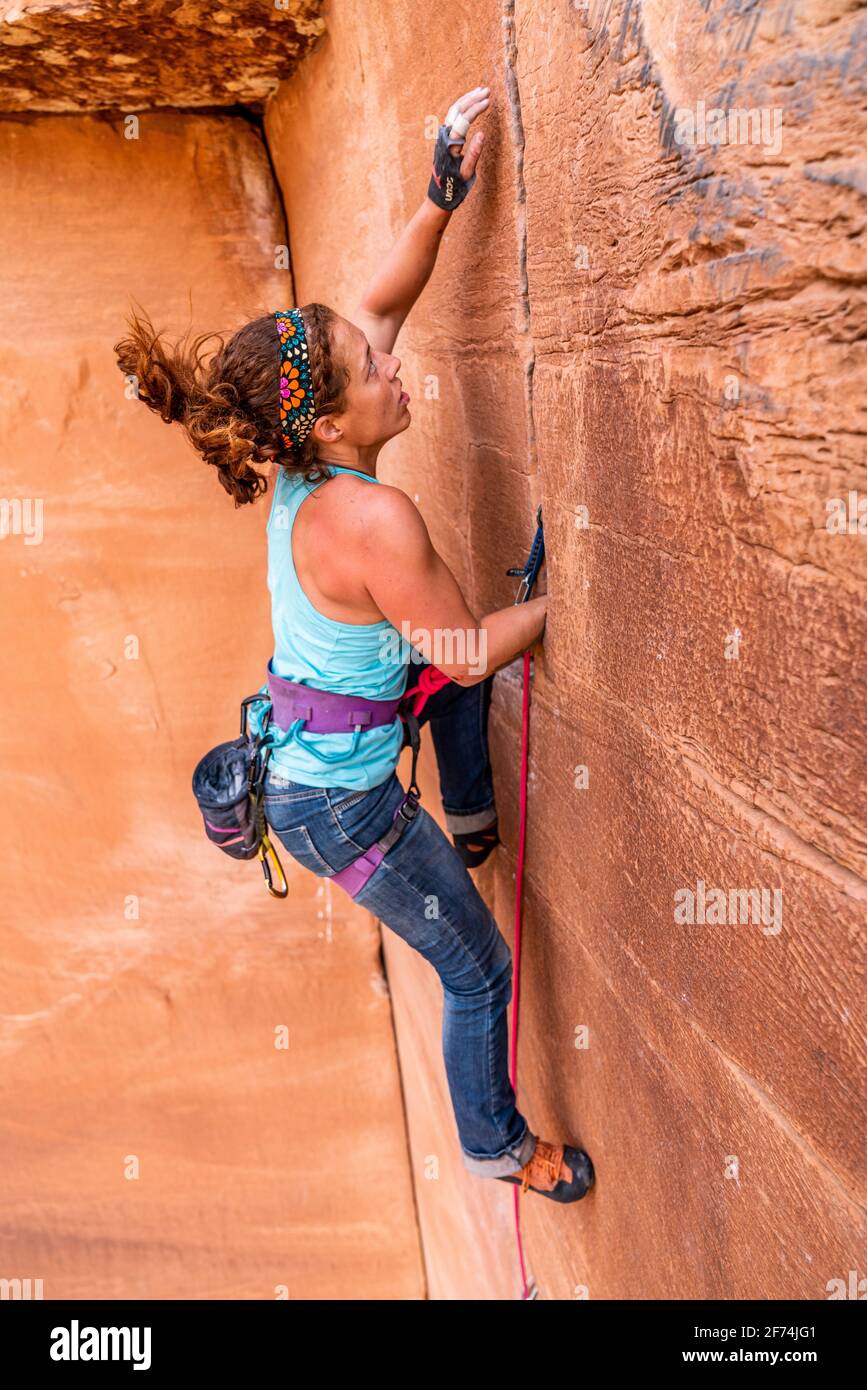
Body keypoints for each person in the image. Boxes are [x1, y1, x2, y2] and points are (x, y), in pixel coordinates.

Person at [114, 86, 594, 1203]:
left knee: (427, 658)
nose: (389, 363)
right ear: (329, 424)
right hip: (340, 808)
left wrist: (442, 194)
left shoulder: (305, 445)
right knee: (478, 969)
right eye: (369, 368)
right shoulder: (374, 522)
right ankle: (498, 1144)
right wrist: (565, 602)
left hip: (327, 717)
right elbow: (472, 651)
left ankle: (468, 819)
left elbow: (384, 299)